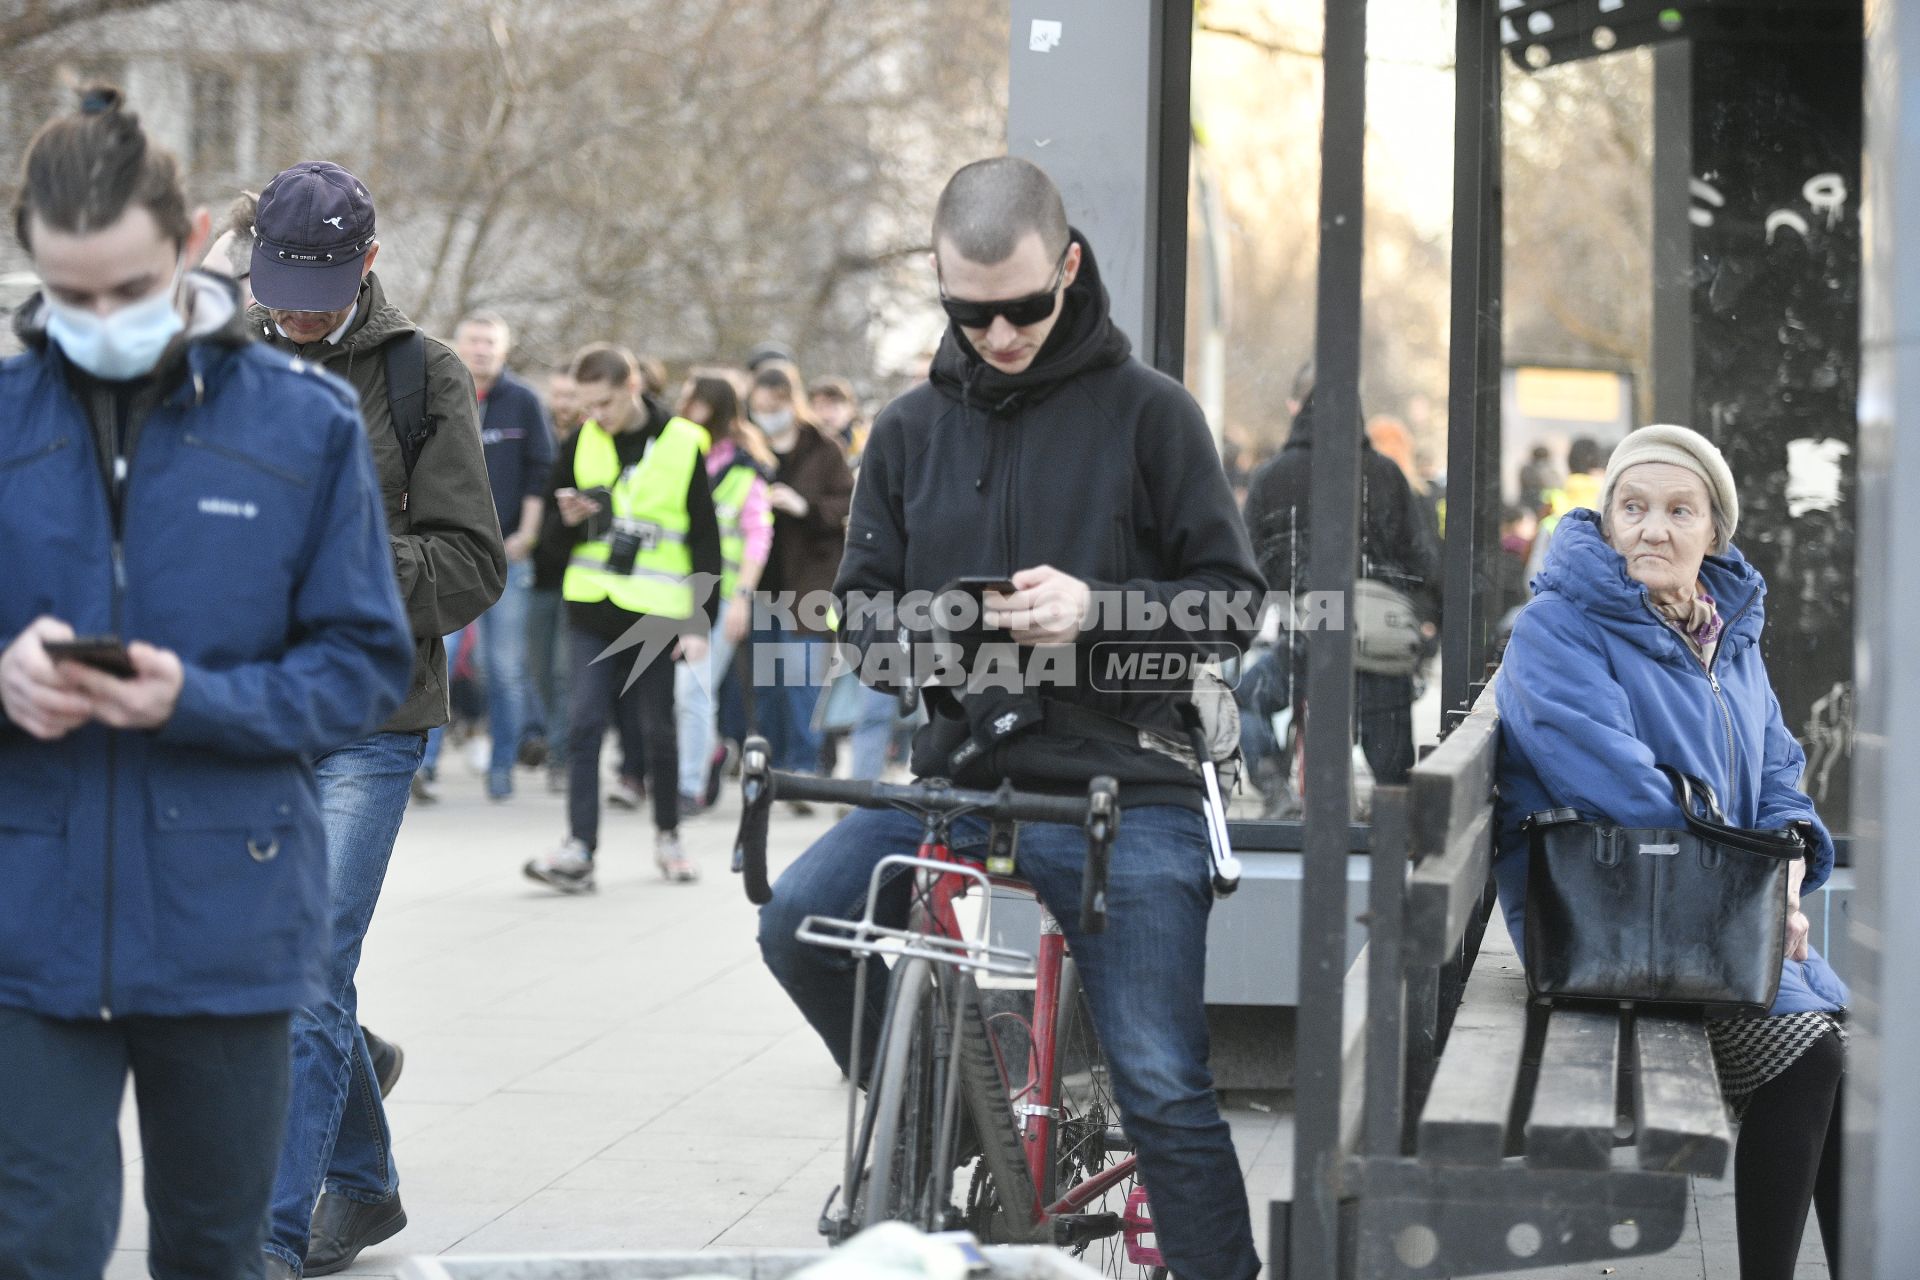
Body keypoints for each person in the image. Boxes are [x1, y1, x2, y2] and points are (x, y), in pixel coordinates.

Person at [757, 156, 1265, 1280]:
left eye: (1024, 307)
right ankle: (957, 1099)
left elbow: (1234, 607)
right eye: (968, 311)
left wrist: (1097, 612)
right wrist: (934, 628)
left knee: (1163, 1079)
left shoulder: (1153, 413)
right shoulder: (905, 429)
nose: (998, 334)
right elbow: (860, 623)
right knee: (799, 918)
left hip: (1125, 782)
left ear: (1069, 267)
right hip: (963, 774)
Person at [0, 86, 413, 1279]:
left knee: (217, 1249)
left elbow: (363, 666)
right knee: (37, 1243)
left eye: (124, 288)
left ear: (186, 244)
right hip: (32, 913)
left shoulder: (304, 421)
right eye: (65, 293)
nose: (97, 317)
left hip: (231, 914)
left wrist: (195, 696)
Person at [1494, 424, 1846, 1280]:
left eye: (1679, 510)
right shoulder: (1559, 627)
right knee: (1811, 1054)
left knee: (1850, 1062)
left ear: (1712, 533)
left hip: (1695, 910)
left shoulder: (1728, 637)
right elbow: (1627, 795)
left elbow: (1779, 773)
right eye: (1634, 507)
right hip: (1612, 914)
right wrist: (1761, 889)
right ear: (1607, 520)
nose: (1654, 528)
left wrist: (1790, 859)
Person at [248, 159, 507, 1277]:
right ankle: (363, 1173)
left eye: (317, 284)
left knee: (303, 966)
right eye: (277, 283)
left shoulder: (423, 376)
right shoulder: (221, 368)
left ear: (369, 260)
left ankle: (263, 1236)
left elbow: (472, 561)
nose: (294, 309)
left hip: (371, 715)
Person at [523, 343, 723, 891]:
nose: (595, 416)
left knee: (658, 730)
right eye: (587, 405)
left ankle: (669, 837)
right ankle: (579, 849)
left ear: (633, 388)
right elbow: (550, 547)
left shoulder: (683, 443)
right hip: (591, 604)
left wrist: (701, 617)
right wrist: (565, 523)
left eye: (605, 403)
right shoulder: (579, 441)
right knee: (584, 724)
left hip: (658, 613)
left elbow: (705, 539)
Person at [1242, 372, 1440, 786]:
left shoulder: (1274, 476)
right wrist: (1420, 628)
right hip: (1379, 645)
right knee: (1393, 780)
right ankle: (1387, 830)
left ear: (1297, 411)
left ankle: (1274, 786)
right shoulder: (1385, 474)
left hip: (1308, 640)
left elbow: (1247, 568)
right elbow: (1423, 561)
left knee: (1246, 700)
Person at [416, 311, 555, 801]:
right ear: (458, 344)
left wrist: (528, 535)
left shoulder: (523, 403)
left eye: (490, 343)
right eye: (473, 341)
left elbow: (542, 473)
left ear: (505, 349)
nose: (481, 350)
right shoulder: (436, 390)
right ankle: (423, 767)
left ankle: (502, 768)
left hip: (509, 555)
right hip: (450, 554)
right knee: (439, 657)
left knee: (505, 668)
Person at [746, 361, 854, 807]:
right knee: (767, 683)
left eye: (774, 406)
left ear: (791, 402)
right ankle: (769, 768)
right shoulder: (751, 448)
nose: (767, 415)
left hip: (808, 578)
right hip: (760, 578)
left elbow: (845, 506)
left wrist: (802, 505)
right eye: (759, 407)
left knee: (802, 677)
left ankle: (805, 769)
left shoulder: (823, 449)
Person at [674, 370, 773, 815]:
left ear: (710, 407)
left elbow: (758, 537)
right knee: (679, 694)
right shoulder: (674, 451)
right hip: (675, 595)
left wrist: (742, 600)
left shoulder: (743, 467)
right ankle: (708, 753)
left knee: (692, 692)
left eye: (690, 399)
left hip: (724, 598)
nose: (682, 406)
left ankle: (690, 786)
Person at [527, 368, 585, 793]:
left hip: (580, 572)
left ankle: (562, 756)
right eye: (558, 394)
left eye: (571, 395)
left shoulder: (590, 441)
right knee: (539, 668)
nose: (563, 403)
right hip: (539, 570)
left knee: (567, 672)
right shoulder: (538, 430)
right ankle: (551, 736)